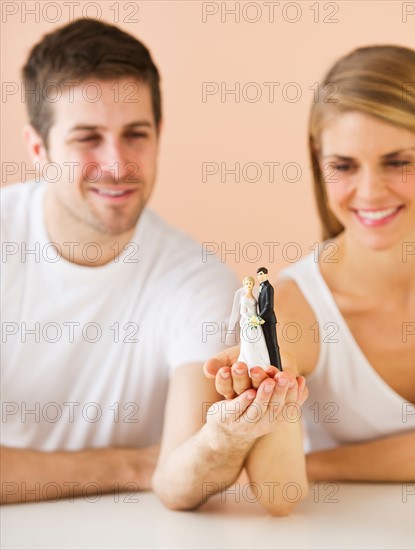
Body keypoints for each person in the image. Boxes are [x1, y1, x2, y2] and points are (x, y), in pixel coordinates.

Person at [206, 45, 415, 482]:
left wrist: (314, 467)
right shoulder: (294, 305)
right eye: (344, 166)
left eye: (398, 162)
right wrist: (264, 392)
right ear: (318, 162)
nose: (369, 193)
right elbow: (278, 491)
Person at [0, 17, 241, 504]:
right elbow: (157, 465)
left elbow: (184, 478)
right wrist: (129, 464)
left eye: (136, 134)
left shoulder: (200, 282)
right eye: (87, 137)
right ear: (37, 148)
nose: (117, 163)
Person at [227, 276, 271, 369]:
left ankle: (261, 360)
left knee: (259, 340)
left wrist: (257, 318)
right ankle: (249, 361)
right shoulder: (244, 298)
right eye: (247, 283)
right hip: (249, 321)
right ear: (244, 285)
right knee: (249, 340)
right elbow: (243, 312)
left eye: (250, 283)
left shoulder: (254, 296)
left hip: (256, 320)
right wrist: (249, 320)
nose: (249, 285)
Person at [256, 267, 283, 371]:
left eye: (261, 274)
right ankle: (270, 366)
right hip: (263, 321)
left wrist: (260, 317)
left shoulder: (268, 287)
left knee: (273, 345)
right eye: (258, 275)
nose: (260, 276)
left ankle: (277, 367)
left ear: (266, 274)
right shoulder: (261, 287)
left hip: (268, 320)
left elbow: (268, 306)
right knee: (266, 344)